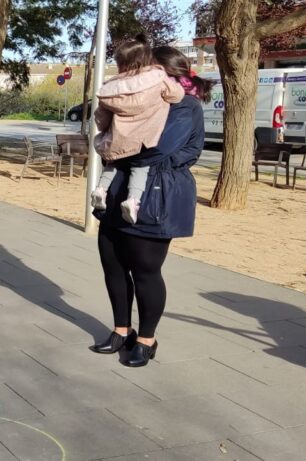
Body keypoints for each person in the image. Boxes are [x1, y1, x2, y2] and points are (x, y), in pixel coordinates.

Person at [89, 46, 211, 368]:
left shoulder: (185, 106)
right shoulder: (137, 103)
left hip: (157, 194)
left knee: (145, 270)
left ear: (165, 74)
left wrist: (116, 147)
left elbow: (155, 150)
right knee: (113, 264)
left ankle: (146, 339)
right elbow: (109, 135)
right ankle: (121, 330)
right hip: (120, 191)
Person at [90, 35, 184, 224]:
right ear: (148, 59)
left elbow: (101, 117)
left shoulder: (112, 88)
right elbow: (176, 95)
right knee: (140, 168)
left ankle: (100, 189)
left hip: (118, 138)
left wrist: (105, 128)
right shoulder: (158, 78)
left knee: (112, 163)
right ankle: (133, 200)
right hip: (144, 139)